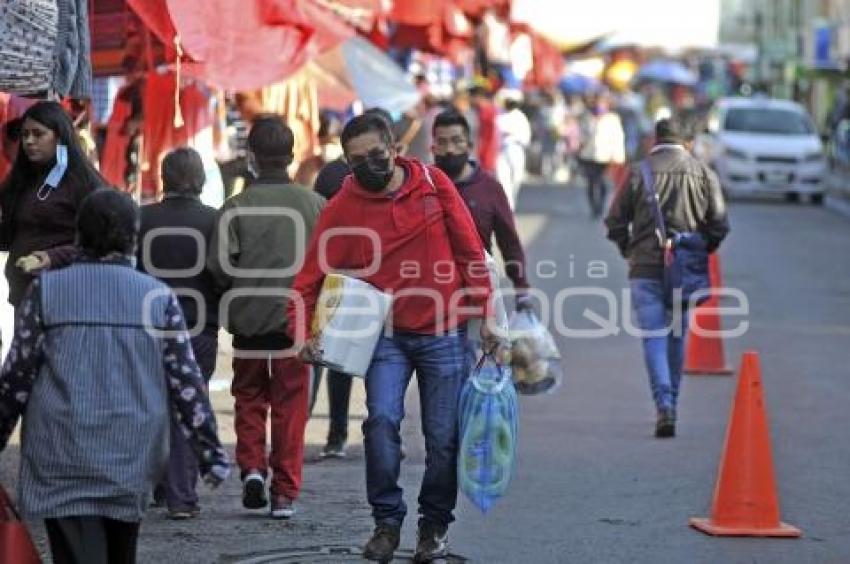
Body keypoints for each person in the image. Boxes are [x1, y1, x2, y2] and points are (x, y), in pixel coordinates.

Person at [287, 113, 497, 563]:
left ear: (395, 150)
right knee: (381, 422)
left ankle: (433, 525)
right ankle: (386, 520)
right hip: (384, 337)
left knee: (444, 437)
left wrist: (489, 315)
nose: (368, 166)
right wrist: (302, 333)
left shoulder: (434, 185)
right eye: (356, 160)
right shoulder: (343, 205)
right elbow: (308, 277)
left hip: (444, 330)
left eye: (376, 156)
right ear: (346, 161)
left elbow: (469, 251)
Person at [0, 189, 229, 564]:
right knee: (121, 551)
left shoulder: (46, 291)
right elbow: (186, 382)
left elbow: (17, 376)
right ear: (132, 237)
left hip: (60, 450)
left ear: (79, 235)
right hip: (130, 450)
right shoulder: (157, 297)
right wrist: (209, 453)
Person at [207, 115, 324, 519]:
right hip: (298, 325)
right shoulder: (315, 205)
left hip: (249, 322)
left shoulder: (235, 207)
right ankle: (285, 494)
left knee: (249, 397)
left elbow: (220, 267)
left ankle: (253, 467)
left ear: (252, 157)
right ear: (292, 155)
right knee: (291, 405)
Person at [605, 117, 729, 438]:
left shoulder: (637, 172)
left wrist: (628, 250)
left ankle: (664, 404)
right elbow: (719, 224)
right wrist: (699, 250)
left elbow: (614, 222)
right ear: (686, 143)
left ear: (654, 140)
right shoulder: (703, 173)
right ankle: (671, 398)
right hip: (685, 272)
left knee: (653, 336)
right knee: (677, 334)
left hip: (644, 268)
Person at [310, 107, 414, 459]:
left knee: (350, 365)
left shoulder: (334, 174)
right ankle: (370, 435)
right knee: (359, 367)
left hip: (349, 286)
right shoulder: (340, 181)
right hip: (356, 285)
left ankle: (344, 434)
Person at [138, 147, 222, 519]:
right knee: (188, 408)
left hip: (149, 326)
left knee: (152, 406)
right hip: (199, 327)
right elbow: (224, 275)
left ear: (163, 177)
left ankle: (157, 487)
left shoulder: (141, 218)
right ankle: (181, 497)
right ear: (200, 180)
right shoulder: (214, 221)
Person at [0, 101, 105, 309]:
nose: (29, 141)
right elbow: (10, 236)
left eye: (38, 134)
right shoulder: (19, 182)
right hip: (24, 293)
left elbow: (101, 241)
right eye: (25, 135)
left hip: (69, 295)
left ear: (59, 137)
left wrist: (52, 257)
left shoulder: (84, 184)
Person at [431, 108, 532, 312]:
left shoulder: (490, 188)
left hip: (478, 296)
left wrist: (521, 288)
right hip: (431, 297)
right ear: (433, 147)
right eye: (442, 142)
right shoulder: (422, 186)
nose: (450, 149)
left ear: (469, 145)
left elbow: (509, 240)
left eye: (456, 141)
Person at [579, 91, 626, 218]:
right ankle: (593, 206)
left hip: (605, 156)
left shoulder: (612, 119)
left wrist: (617, 155)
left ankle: (601, 206)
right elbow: (581, 135)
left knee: (603, 182)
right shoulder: (587, 117)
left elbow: (617, 138)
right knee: (591, 182)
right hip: (589, 155)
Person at [495, 89, 531, 210]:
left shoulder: (520, 117)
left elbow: (526, 136)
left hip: (516, 149)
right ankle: (508, 206)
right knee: (502, 178)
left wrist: (514, 136)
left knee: (517, 177)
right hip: (501, 150)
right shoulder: (499, 115)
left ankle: (511, 201)